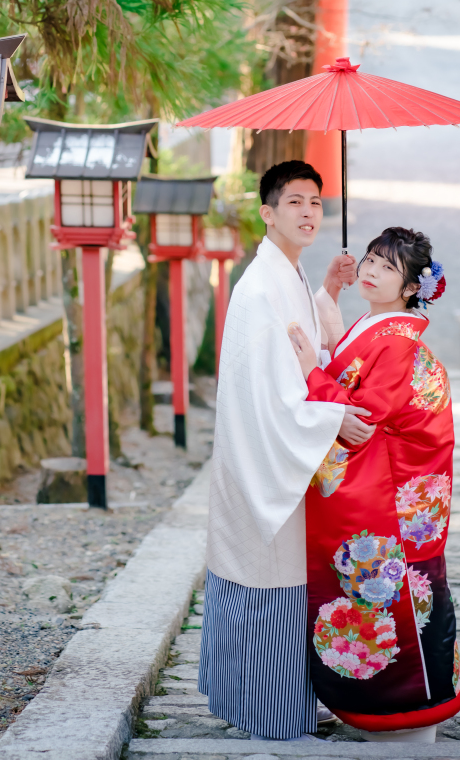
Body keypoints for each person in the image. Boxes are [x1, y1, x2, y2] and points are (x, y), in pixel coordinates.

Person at [198, 160, 375, 740]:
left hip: (283, 453)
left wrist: (329, 289)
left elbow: (310, 342)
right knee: (270, 578)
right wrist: (330, 417)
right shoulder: (259, 289)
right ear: (267, 213)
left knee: (277, 577)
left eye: (316, 203)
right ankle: (270, 714)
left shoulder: (288, 273)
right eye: (294, 202)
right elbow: (269, 393)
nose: (307, 212)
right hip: (265, 456)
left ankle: (271, 705)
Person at [304, 227, 460, 742]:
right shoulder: (378, 326)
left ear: (412, 287)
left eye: (388, 268)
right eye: (371, 259)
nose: (372, 271)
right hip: (394, 484)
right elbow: (350, 379)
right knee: (394, 589)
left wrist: (311, 368)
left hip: (390, 490)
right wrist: (330, 300)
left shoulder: (395, 342)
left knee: (388, 588)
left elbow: (364, 415)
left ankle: (405, 708)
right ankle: (404, 702)